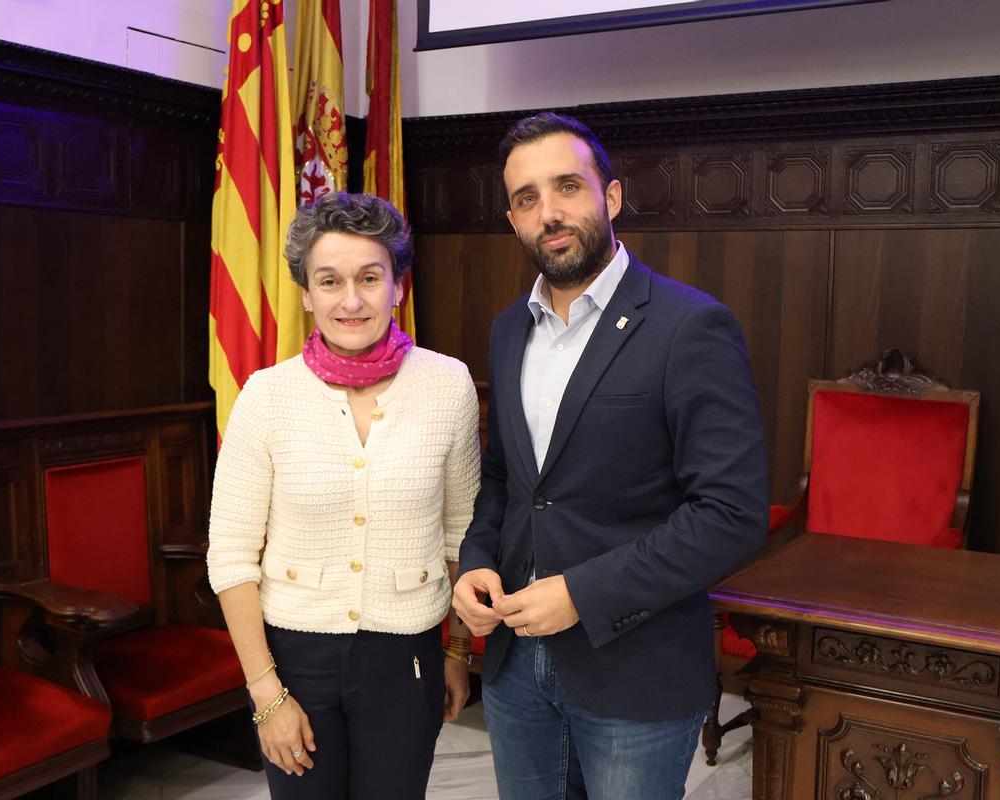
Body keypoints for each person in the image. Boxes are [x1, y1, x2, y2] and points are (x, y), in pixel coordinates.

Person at [452, 113, 770, 800]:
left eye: (567, 186)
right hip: (513, 669)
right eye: (527, 198)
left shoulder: (690, 326)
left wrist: (582, 594)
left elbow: (731, 514)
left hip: (637, 675)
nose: (549, 212)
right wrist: (476, 562)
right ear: (513, 220)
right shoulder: (508, 331)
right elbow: (506, 480)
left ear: (612, 196)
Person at [207, 192, 480, 799]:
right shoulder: (265, 395)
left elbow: (462, 534)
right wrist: (265, 692)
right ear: (307, 293)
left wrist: (458, 650)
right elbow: (230, 556)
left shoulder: (448, 384)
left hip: (407, 655)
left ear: (398, 286)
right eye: (330, 281)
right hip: (292, 660)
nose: (350, 301)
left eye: (369, 278)